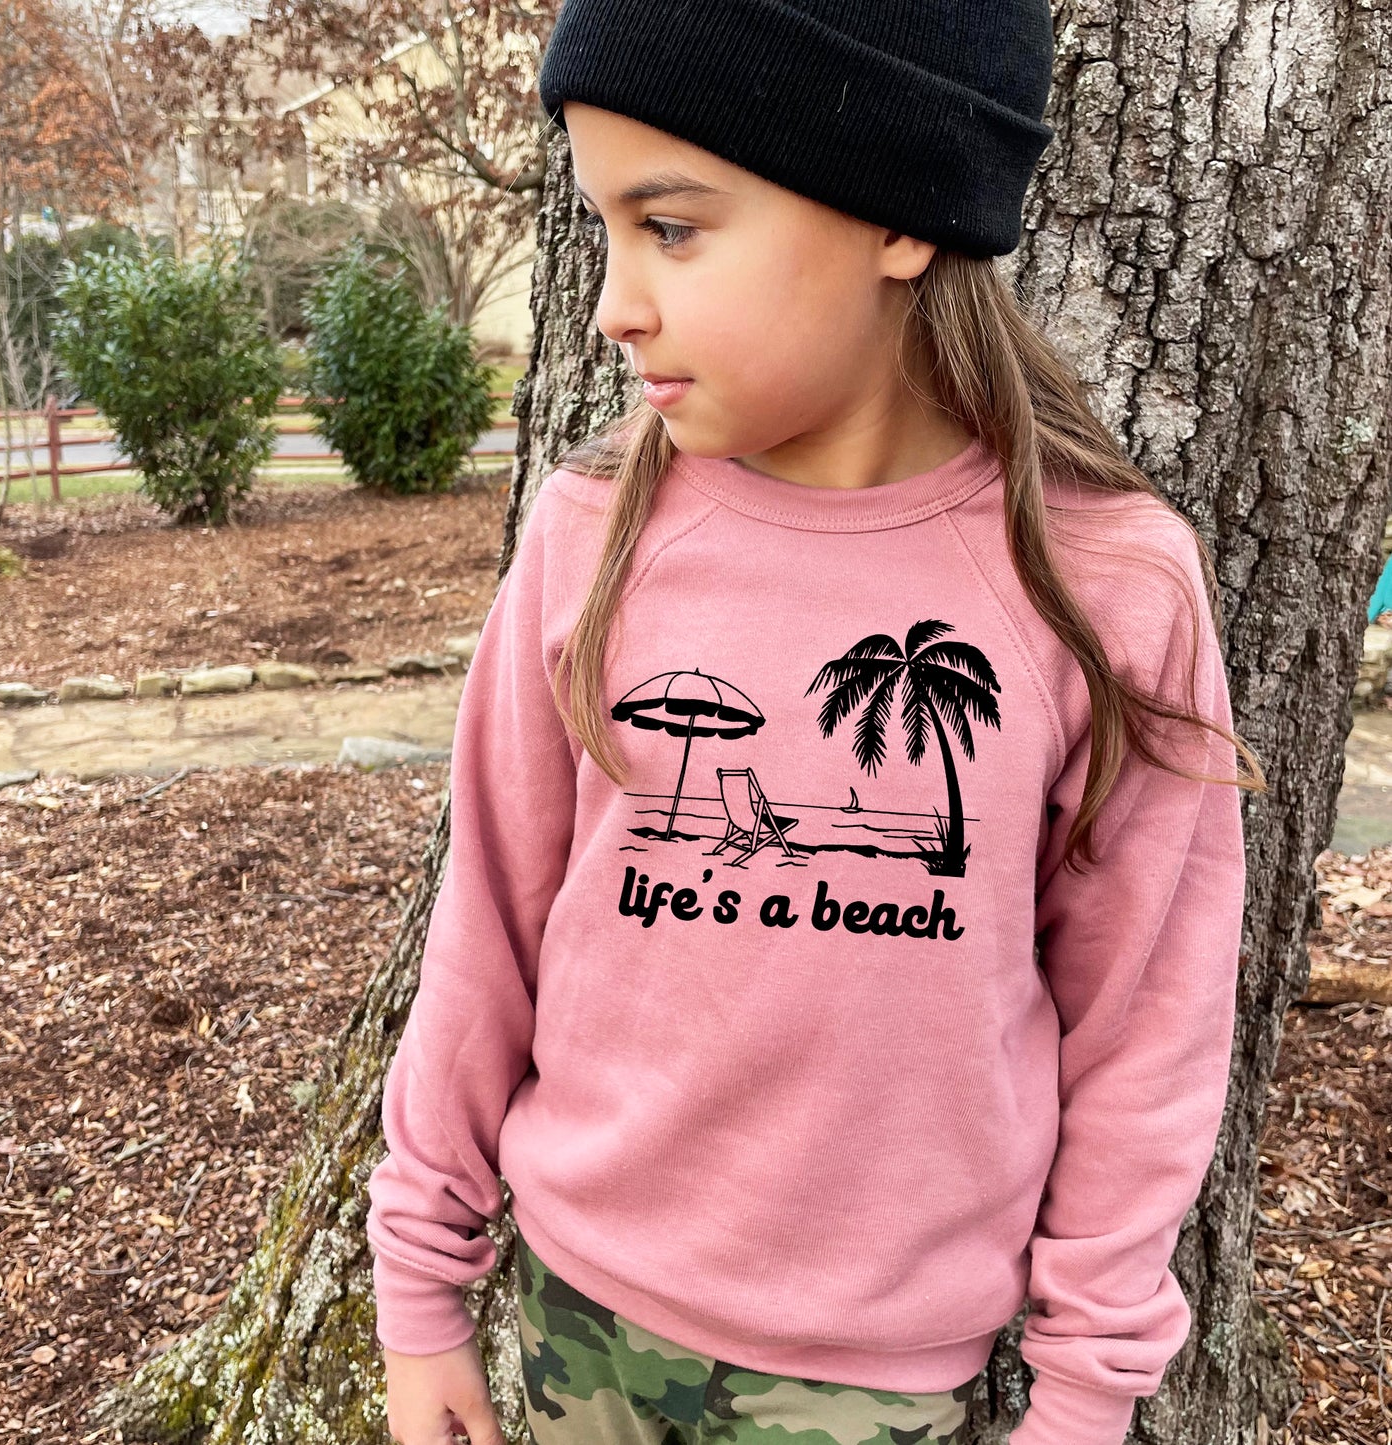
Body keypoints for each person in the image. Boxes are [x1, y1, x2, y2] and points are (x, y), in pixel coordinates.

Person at [365, 3, 1269, 1443]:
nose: (611, 302)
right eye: (603, 227)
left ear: (898, 216)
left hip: (871, 1379)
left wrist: (1088, 1389)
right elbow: (487, 930)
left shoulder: (1102, 583)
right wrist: (420, 1287)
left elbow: (1145, 1028)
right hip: (571, 1314)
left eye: (670, 226)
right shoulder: (588, 535)